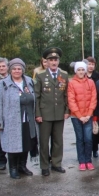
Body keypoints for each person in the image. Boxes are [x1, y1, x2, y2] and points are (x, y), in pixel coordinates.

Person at [0, 58, 37, 179]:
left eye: (19, 69)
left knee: (26, 143)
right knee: (13, 145)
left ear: (23, 70)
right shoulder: (3, 84)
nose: (17, 71)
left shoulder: (29, 81)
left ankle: (22, 166)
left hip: (28, 119)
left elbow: (35, 99)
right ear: (10, 69)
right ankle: (13, 168)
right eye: (14, 69)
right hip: (11, 120)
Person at [35, 47, 69, 176]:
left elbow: (66, 95)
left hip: (59, 113)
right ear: (46, 62)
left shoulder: (64, 75)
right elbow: (36, 97)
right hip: (45, 114)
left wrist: (67, 110)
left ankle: (56, 163)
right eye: (51, 60)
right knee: (44, 141)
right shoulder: (41, 76)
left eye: (56, 60)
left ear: (58, 61)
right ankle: (44, 166)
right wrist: (37, 114)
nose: (54, 62)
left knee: (58, 141)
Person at [68, 61, 97, 171]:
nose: (81, 72)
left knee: (88, 139)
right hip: (76, 117)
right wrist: (80, 116)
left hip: (88, 116)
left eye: (82, 69)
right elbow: (71, 100)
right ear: (76, 71)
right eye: (78, 70)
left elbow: (93, 99)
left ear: (85, 70)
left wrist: (89, 114)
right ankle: (81, 161)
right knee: (80, 139)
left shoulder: (91, 82)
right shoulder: (72, 83)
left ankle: (88, 161)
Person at [86, 56, 99, 158]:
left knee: (95, 130)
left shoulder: (98, 76)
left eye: (92, 64)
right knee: (86, 131)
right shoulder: (81, 74)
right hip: (84, 106)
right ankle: (87, 150)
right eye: (89, 64)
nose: (91, 66)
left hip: (96, 105)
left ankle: (95, 149)